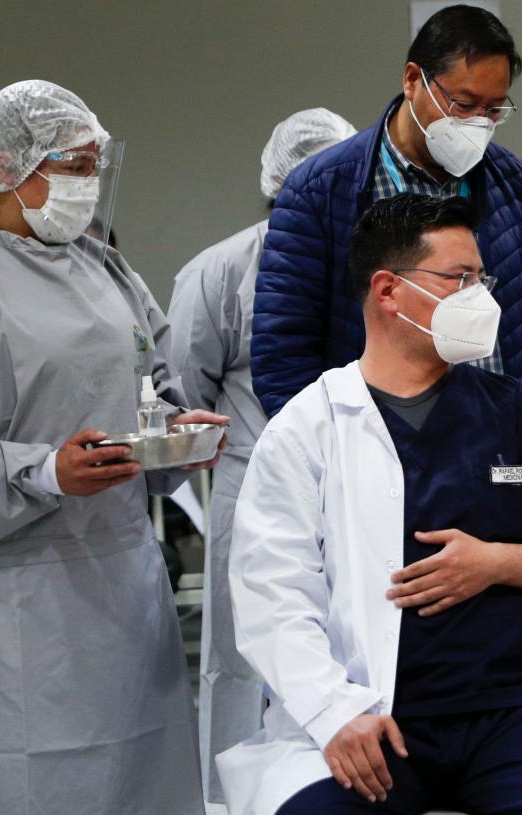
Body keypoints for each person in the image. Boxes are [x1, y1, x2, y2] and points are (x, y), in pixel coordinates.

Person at [0, 80, 226, 815]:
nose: (88, 184)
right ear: (6, 165)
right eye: (73, 165)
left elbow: (151, 376)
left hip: (121, 581)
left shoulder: (102, 266)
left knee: (141, 778)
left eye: (94, 166)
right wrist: (44, 471)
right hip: (9, 597)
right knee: (23, 785)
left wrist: (174, 435)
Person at [218, 194, 522, 815]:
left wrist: (496, 562)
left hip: (512, 715)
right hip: (371, 712)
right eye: (459, 279)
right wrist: (335, 713)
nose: (481, 298)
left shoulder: (519, 410)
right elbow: (271, 595)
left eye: (482, 278)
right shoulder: (311, 426)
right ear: (388, 291)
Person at [251, 4, 522, 418]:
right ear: (413, 80)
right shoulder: (320, 191)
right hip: (378, 450)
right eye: (463, 104)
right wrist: (331, 460)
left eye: (494, 110)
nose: (478, 122)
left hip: (503, 440)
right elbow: (282, 355)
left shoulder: (516, 185)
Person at [166, 106, 355, 804]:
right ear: (277, 183)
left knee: (352, 640)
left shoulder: (373, 270)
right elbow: (181, 389)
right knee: (241, 653)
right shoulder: (218, 273)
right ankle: (226, 797)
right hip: (250, 481)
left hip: (359, 481)